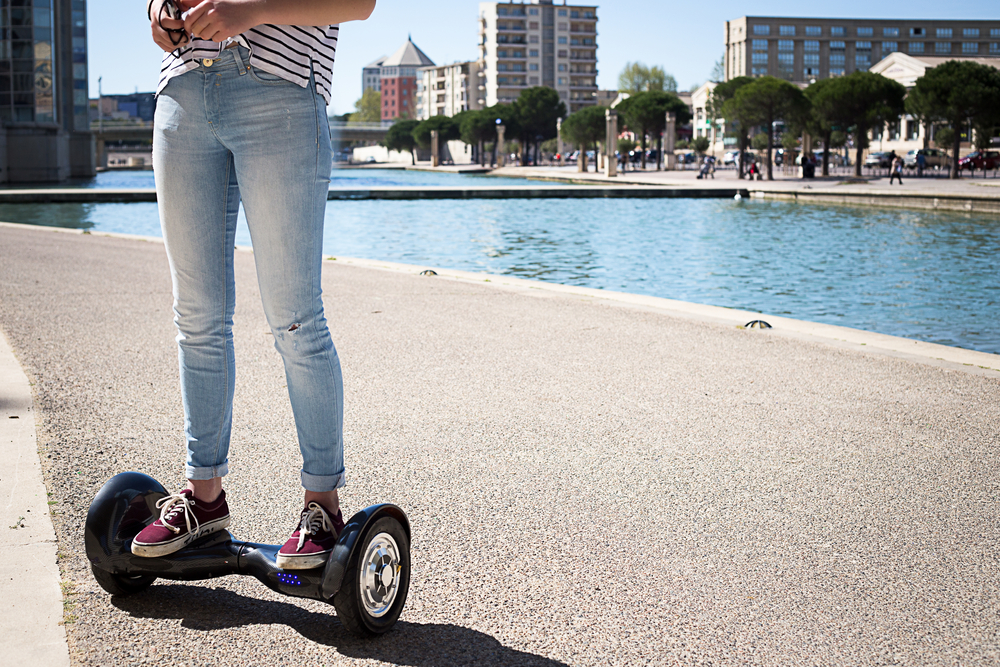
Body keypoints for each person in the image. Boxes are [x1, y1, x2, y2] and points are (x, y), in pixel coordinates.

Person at [132, 0, 376, 569]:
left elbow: (361, 2)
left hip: (280, 92)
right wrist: (155, 10)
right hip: (182, 93)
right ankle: (204, 498)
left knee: (295, 319)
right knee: (197, 319)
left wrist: (250, 11)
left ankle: (323, 507)